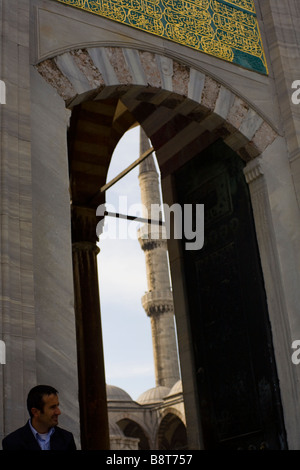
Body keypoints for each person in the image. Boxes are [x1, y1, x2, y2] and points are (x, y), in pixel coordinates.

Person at [2, 385, 76, 450]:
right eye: (53, 407)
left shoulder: (66, 439)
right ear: (35, 412)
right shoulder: (12, 443)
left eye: (57, 406)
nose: (58, 412)